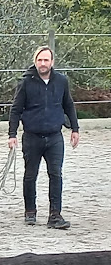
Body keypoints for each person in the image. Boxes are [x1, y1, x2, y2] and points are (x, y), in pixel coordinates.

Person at [8, 45, 80, 229]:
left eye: (46, 60)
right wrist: (12, 134)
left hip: (55, 136)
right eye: (39, 60)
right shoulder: (26, 82)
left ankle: (55, 215)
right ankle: (30, 212)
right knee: (30, 175)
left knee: (56, 174)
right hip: (32, 136)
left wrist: (75, 129)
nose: (42, 63)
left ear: (52, 62)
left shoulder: (61, 81)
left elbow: (68, 105)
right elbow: (16, 109)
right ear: (35, 61)